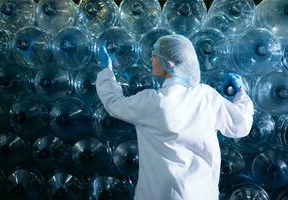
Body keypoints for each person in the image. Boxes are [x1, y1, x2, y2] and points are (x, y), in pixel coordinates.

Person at [96, 34, 254, 200]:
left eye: (154, 55)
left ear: (169, 63)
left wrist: (107, 70)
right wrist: (241, 93)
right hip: (201, 194)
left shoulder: (154, 102)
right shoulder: (206, 96)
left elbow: (114, 103)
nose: (151, 58)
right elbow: (241, 125)